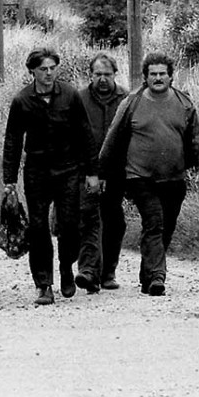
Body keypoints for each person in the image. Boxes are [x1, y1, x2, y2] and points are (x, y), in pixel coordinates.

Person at [100, 52, 199, 297]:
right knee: (154, 223)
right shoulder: (132, 103)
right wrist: (101, 172)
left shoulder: (184, 103)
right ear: (145, 77)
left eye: (162, 74)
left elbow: (198, 138)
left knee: (166, 227)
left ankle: (147, 274)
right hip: (140, 177)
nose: (158, 78)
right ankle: (158, 277)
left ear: (171, 76)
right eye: (153, 74)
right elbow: (113, 138)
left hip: (174, 177)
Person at [2, 47, 99, 306]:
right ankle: (43, 284)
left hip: (68, 168)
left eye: (52, 68)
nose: (48, 73)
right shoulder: (22, 100)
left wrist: (92, 172)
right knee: (38, 227)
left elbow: (85, 133)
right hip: (37, 171)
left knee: (69, 224)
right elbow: (12, 141)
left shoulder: (69, 95)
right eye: (42, 69)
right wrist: (9, 181)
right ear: (32, 71)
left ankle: (66, 266)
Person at [74, 53, 130, 294]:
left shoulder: (126, 99)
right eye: (98, 74)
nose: (103, 79)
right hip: (88, 172)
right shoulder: (79, 99)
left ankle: (108, 271)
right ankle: (88, 272)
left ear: (115, 75)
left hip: (117, 172)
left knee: (114, 220)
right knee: (89, 216)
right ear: (91, 75)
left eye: (107, 74)